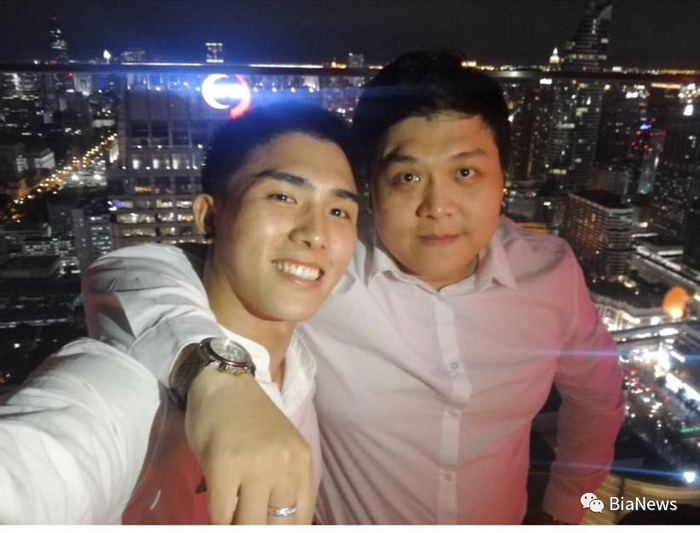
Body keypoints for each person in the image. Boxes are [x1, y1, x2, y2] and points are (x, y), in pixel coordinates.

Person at [83, 51, 625, 524]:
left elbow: (598, 394)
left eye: (465, 173)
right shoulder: (324, 265)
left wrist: (564, 506)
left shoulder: (549, 273)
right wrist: (215, 380)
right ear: (372, 188)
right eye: (407, 177)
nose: (437, 206)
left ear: (504, 177)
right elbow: (136, 273)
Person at [0, 102, 359, 524]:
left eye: (339, 211)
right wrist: (217, 380)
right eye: (282, 197)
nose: (315, 233)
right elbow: (37, 467)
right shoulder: (130, 389)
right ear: (210, 215)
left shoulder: (301, 363)